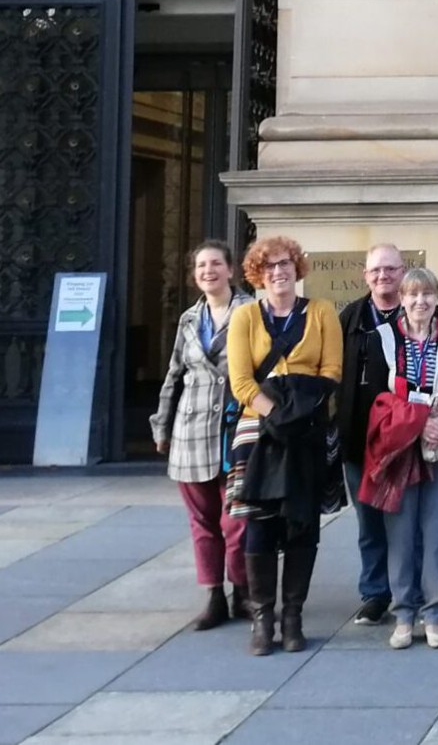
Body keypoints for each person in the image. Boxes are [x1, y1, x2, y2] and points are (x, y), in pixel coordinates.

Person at [227, 236, 343, 657]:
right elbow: (241, 382)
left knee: (302, 524)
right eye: (270, 266)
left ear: (298, 268)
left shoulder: (322, 312)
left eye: (286, 264)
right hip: (259, 435)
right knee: (259, 526)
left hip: (308, 431)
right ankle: (263, 618)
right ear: (258, 274)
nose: (279, 271)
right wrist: (273, 414)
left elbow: (330, 371)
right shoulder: (244, 318)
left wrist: (297, 415)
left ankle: (292, 617)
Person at [358, 268, 438, 650]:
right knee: (399, 533)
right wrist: (416, 422)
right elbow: (377, 398)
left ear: (437, 296)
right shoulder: (382, 339)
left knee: (436, 531)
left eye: (427, 294)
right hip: (399, 449)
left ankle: (433, 613)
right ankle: (403, 614)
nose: (420, 302)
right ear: (402, 297)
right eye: (412, 294)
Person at [150, 240, 252, 631]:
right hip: (190, 432)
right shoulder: (189, 319)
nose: (208, 271)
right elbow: (174, 375)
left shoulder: (250, 312)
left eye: (215, 264)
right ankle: (213, 594)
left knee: (237, 518)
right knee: (202, 521)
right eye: (201, 266)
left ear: (230, 270)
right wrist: (162, 426)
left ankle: (242, 590)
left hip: (233, 429)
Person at [336, 243, 407, 626]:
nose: (384, 277)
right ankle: (375, 593)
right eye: (377, 271)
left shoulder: (418, 311)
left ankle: (407, 591)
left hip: (400, 439)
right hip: (356, 437)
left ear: (403, 271)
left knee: (403, 519)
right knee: (369, 522)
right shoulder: (350, 317)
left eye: (391, 270)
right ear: (366, 276)